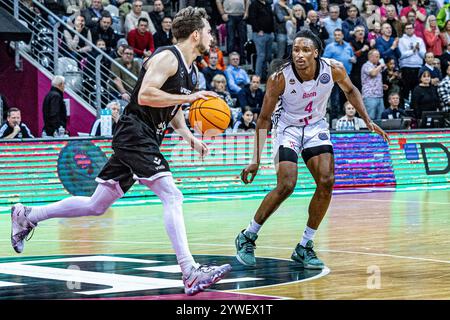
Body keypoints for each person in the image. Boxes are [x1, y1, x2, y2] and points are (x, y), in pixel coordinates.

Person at [10, 6, 231, 296]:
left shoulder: (191, 73)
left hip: (145, 136)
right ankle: (189, 272)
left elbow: (173, 108)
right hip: (135, 132)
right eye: (207, 30)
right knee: (172, 195)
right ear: (194, 34)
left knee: (96, 205)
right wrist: (190, 97)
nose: (211, 36)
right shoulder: (168, 57)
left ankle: (28, 214)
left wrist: (189, 137)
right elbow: (146, 95)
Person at [235, 29, 389, 269]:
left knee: (327, 181)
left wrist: (367, 120)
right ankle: (248, 235)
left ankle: (305, 245)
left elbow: (350, 90)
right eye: (296, 49)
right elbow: (264, 118)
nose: (299, 54)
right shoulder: (280, 77)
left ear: (316, 53)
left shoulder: (333, 68)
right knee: (286, 184)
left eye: (306, 50)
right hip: (287, 128)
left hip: (316, 126)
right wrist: (255, 159)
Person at [398, 22, 426, 102]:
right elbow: (401, 55)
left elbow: (424, 55)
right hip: (406, 68)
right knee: (406, 90)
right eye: (407, 28)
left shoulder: (419, 40)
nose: (409, 30)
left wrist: (419, 50)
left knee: (417, 90)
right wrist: (412, 51)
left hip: (418, 67)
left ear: (414, 29)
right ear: (404, 30)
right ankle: (406, 109)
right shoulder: (401, 40)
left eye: (411, 28)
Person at [361, 49, 386, 119]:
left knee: (380, 118)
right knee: (370, 118)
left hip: (379, 96)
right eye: (377, 56)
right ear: (370, 57)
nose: (379, 58)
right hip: (370, 96)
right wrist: (381, 66)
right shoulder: (366, 65)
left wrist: (381, 86)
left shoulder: (376, 67)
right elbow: (373, 73)